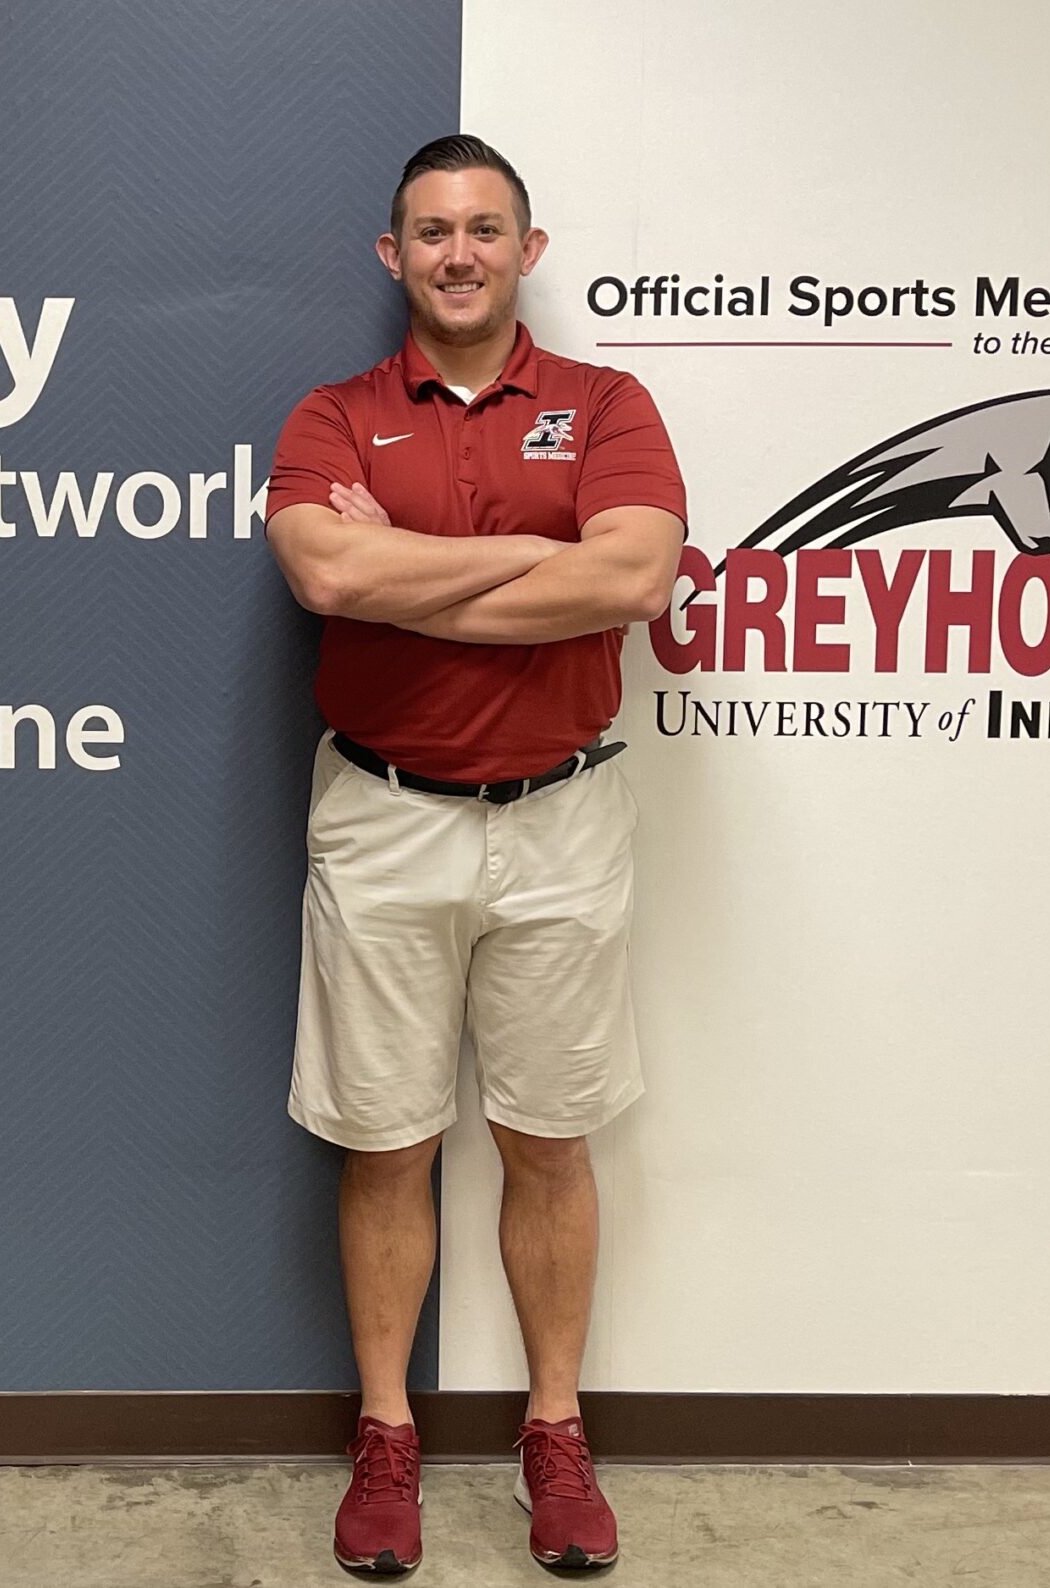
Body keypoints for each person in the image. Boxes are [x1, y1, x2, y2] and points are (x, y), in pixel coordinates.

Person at [265, 135, 686, 1577]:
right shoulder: (333, 414)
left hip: (563, 818)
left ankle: (554, 1433)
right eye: (432, 231)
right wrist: (530, 564)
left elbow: (635, 573)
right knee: (389, 1140)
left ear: (530, 249)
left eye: (485, 229)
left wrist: (416, 579)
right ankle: (387, 1434)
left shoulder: (607, 402)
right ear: (394, 255)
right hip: (385, 815)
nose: (459, 252)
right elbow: (325, 572)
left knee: (547, 1137)